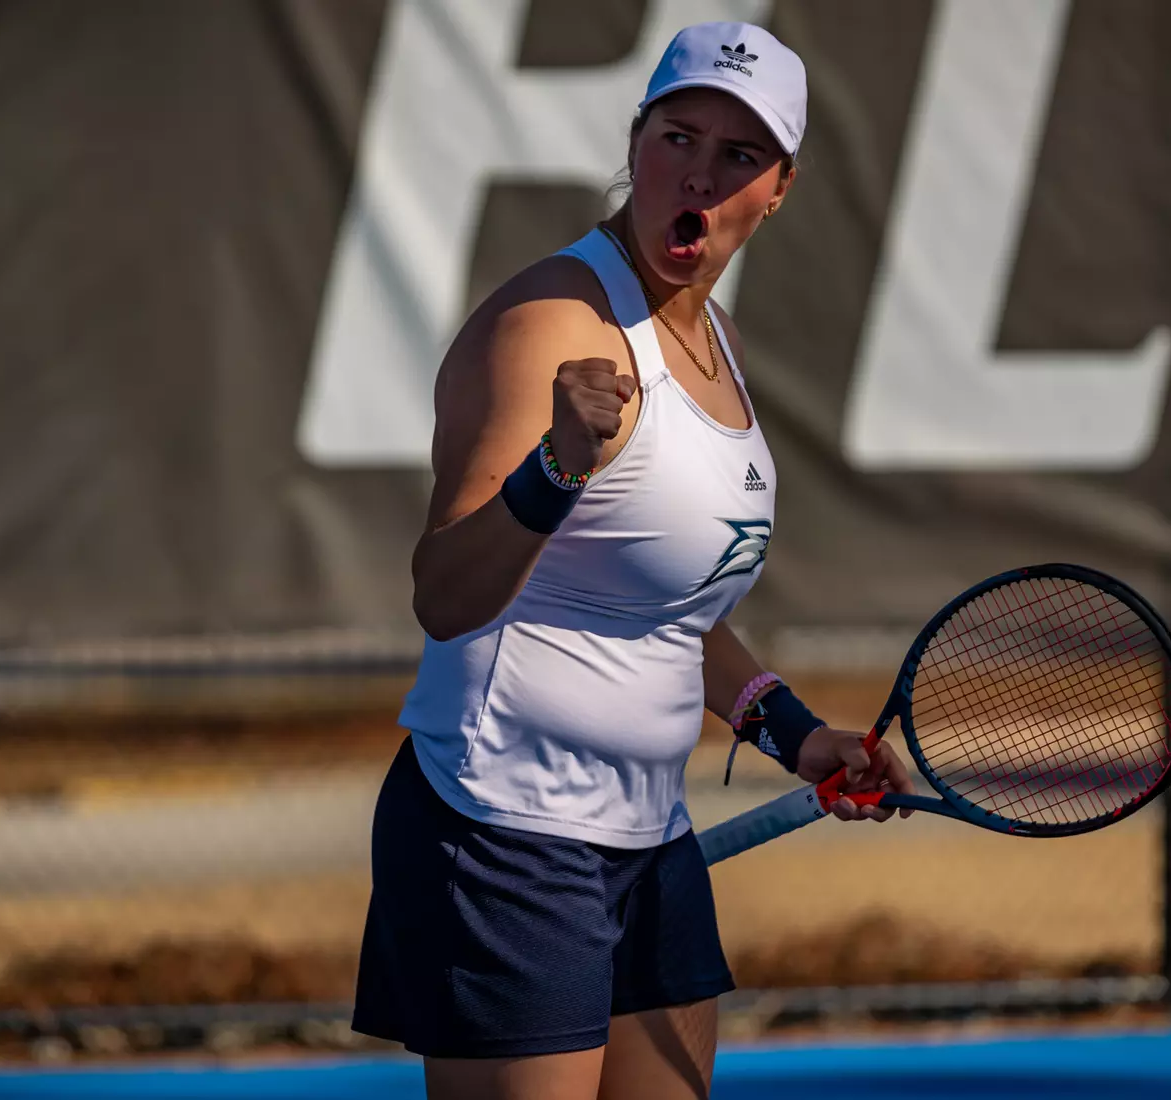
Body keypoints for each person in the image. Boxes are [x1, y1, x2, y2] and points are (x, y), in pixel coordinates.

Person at [353, 21, 916, 1100]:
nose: (698, 174)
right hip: (503, 829)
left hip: (647, 839)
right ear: (637, 138)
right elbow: (442, 596)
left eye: (739, 156)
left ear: (779, 189)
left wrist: (795, 733)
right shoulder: (549, 324)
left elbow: (668, 606)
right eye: (678, 136)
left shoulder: (722, 351)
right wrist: (554, 468)